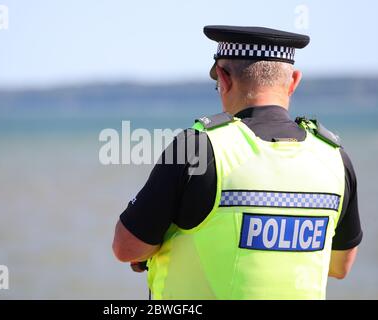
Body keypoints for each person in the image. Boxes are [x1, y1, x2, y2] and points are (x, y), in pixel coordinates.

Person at [112, 25, 362, 299]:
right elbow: (340, 265)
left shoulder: (198, 148)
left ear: (224, 77)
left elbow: (126, 248)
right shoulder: (334, 158)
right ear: (293, 82)